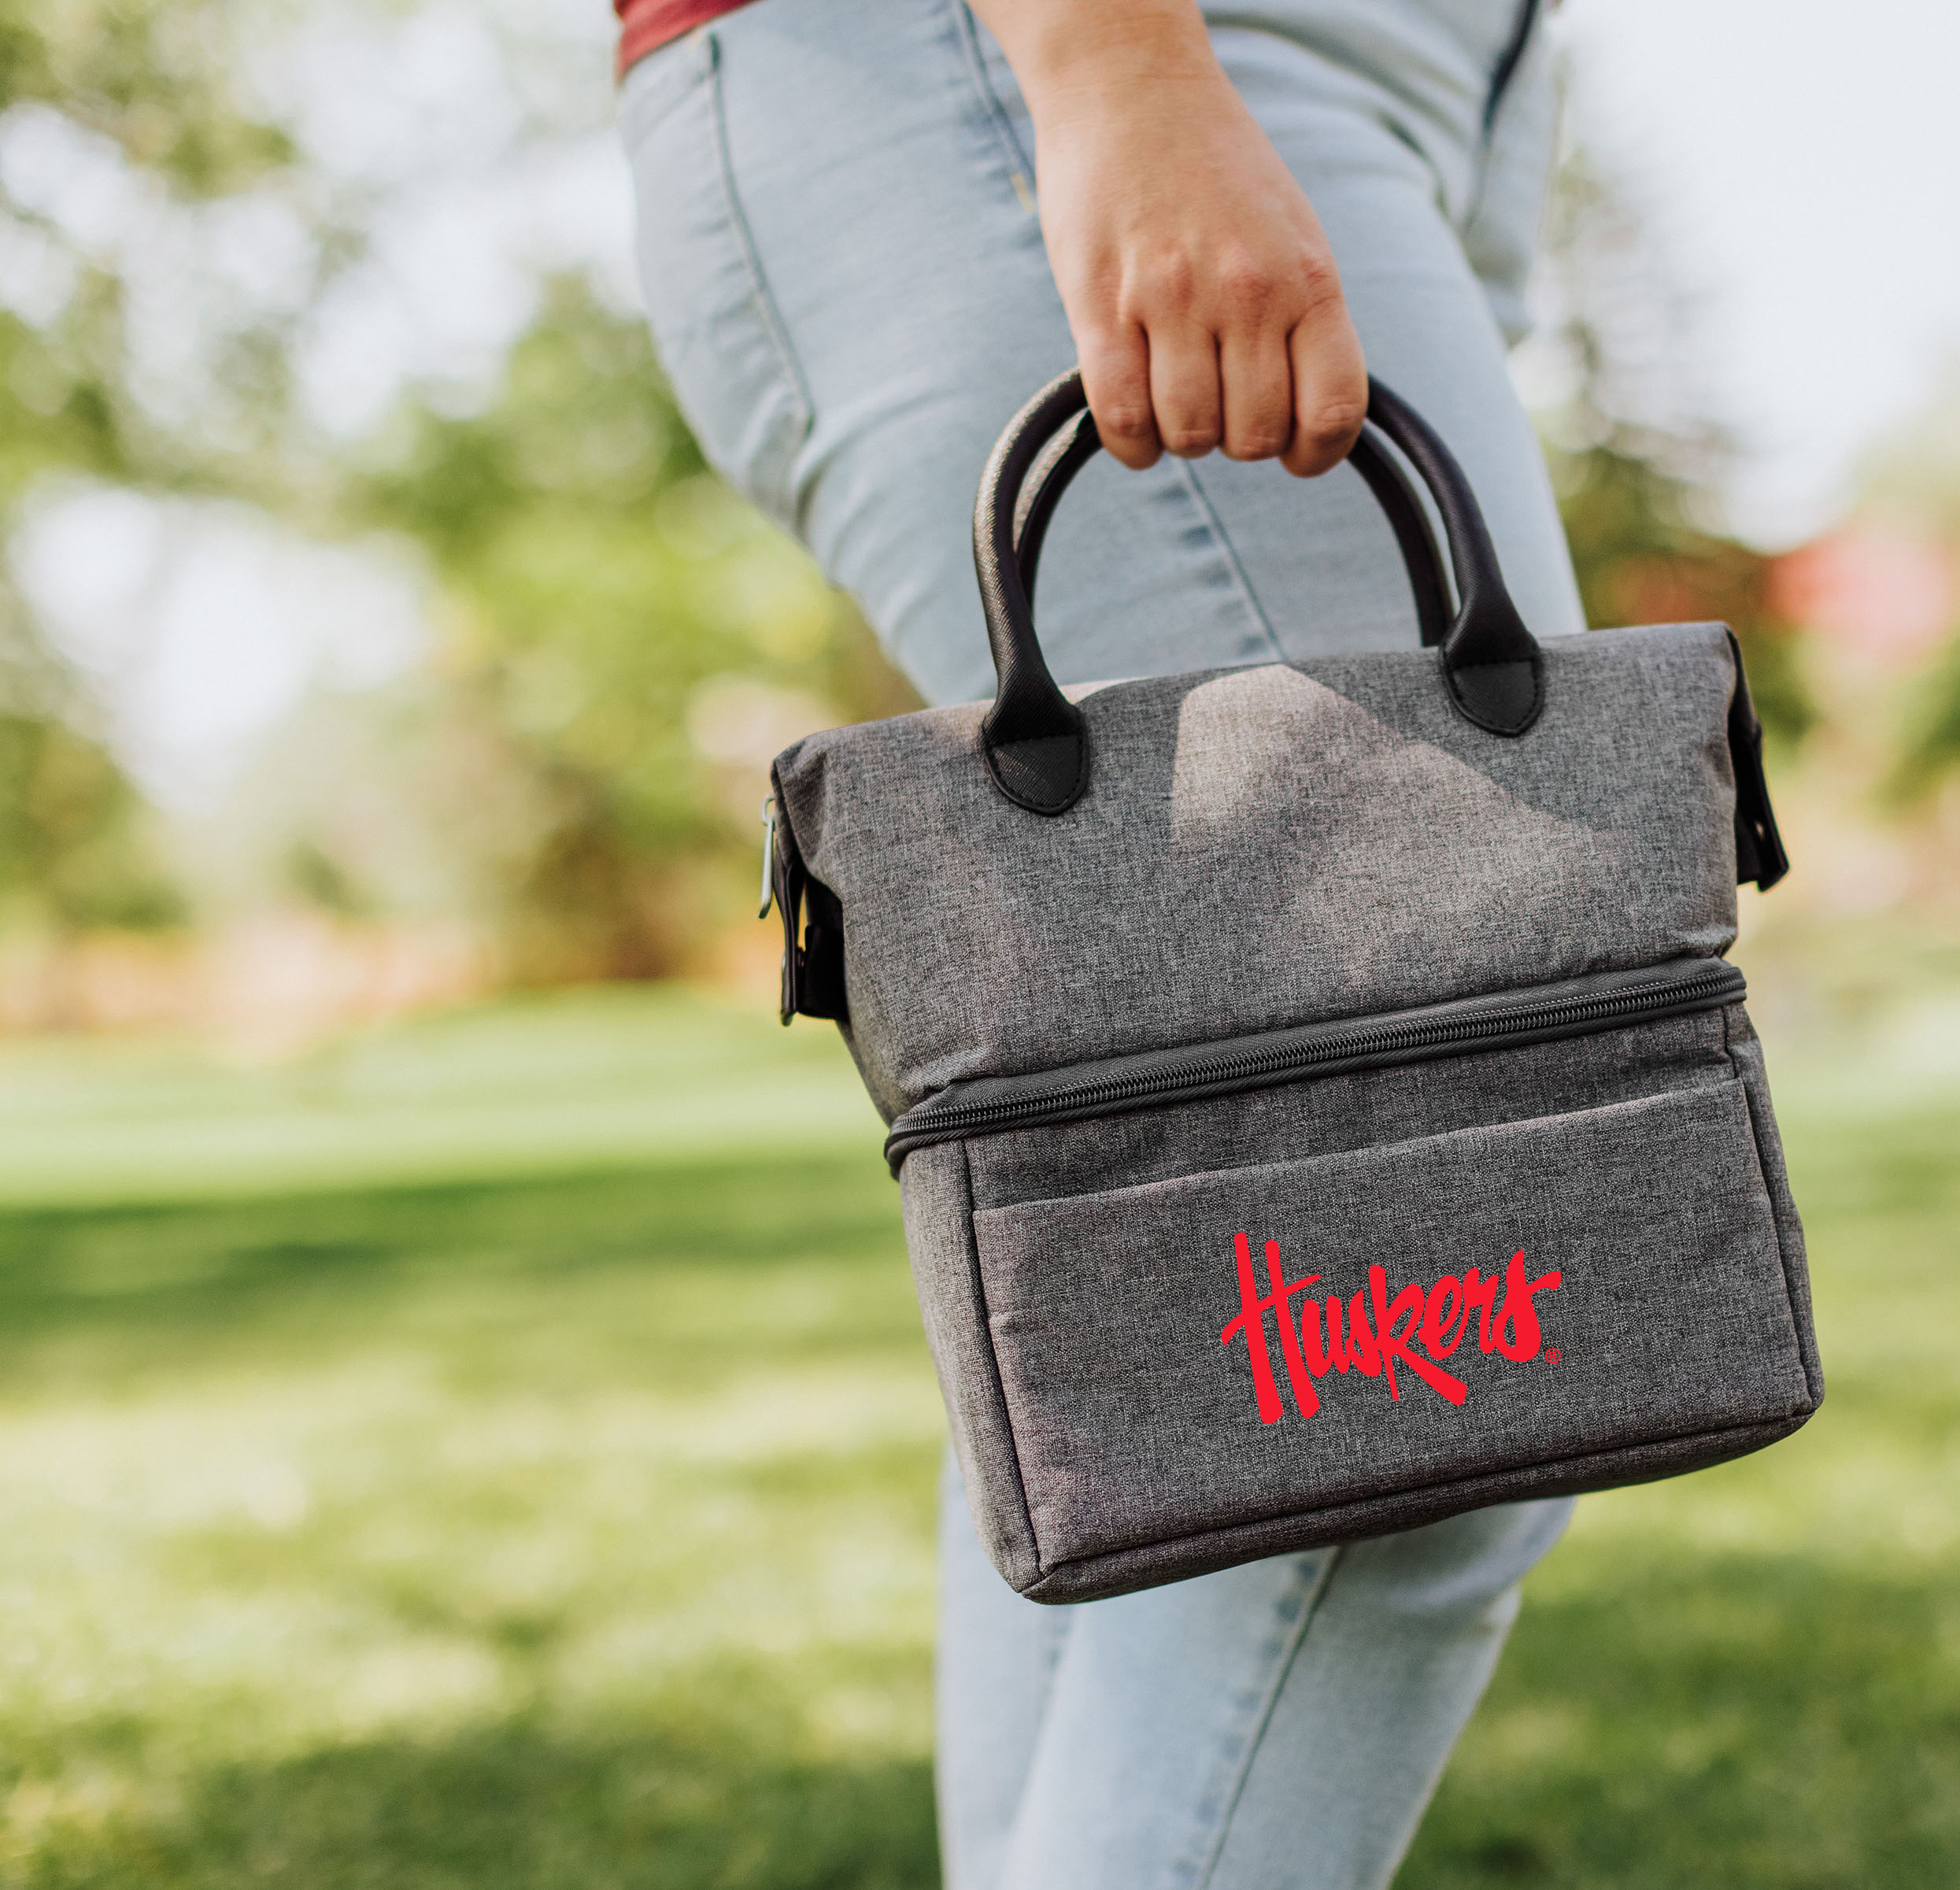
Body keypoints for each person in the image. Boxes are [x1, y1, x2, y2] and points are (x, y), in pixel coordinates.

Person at [616, 2, 1586, 1881]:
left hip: (1367, 82)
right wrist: (1114, 66)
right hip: (1063, 49)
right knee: (1432, 1309)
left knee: (1159, 1303)